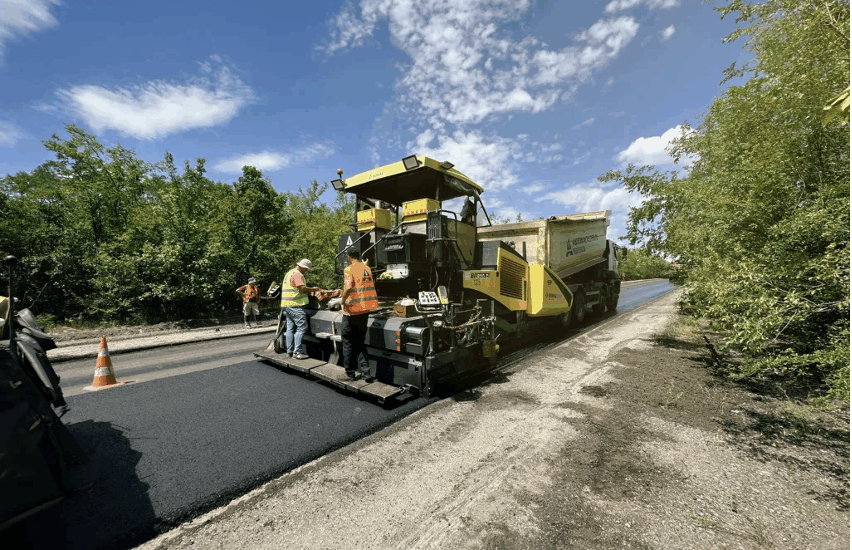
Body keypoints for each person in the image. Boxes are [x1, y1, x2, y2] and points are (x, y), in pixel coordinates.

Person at [339, 248, 379, 381]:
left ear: (349, 257)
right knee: (360, 342)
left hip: (352, 311)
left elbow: (348, 287)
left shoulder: (349, 269)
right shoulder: (367, 268)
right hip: (364, 310)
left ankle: (350, 373)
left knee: (348, 342)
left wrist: (342, 301)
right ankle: (366, 372)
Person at [280, 259, 321, 360]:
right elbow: (302, 288)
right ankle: (297, 352)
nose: (306, 272)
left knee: (290, 328)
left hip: (287, 305)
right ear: (303, 268)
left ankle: (289, 351)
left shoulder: (289, 273)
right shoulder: (297, 274)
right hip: (295, 305)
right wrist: (315, 289)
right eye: (306, 270)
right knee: (302, 327)